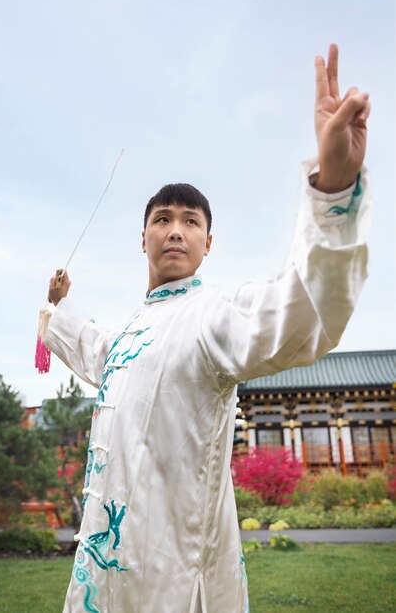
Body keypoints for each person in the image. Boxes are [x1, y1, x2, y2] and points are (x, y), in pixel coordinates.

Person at [44, 44, 371, 613]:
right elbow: (93, 351)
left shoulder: (210, 318)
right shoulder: (129, 338)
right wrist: (52, 312)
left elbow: (297, 316)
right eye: (162, 220)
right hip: (102, 578)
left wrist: (334, 192)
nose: (174, 230)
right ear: (142, 238)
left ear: (207, 243)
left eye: (189, 221)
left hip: (171, 579)